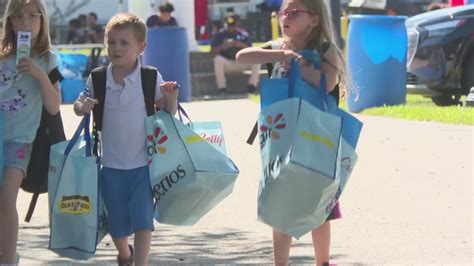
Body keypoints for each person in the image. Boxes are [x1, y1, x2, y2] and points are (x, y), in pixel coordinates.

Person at [236, 0, 348, 265]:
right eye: (282, 12)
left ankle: (323, 261)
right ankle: (281, 262)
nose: (285, 17)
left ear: (315, 20)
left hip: (316, 139)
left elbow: (328, 81)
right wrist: (280, 56)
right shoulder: (276, 48)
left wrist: (300, 65)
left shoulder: (325, 50)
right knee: (280, 203)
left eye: (294, 12)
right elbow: (242, 57)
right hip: (281, 142)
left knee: (320, 204)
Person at [73, 13, 178, 266]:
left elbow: (167, 111)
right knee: (116, 225)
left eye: (124, 43)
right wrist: (82, 106)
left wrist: (170, 96)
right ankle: (124, 254)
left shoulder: (149, 77)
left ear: (141, 47)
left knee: (143, 221)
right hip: (110, 166)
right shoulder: (98, 77)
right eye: (111, 42)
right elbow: (79, 104)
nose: (116, 48)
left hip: (144, 164)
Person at [0, 0, 62, 264]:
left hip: (21, 139)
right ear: (10, 22)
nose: (25, 22)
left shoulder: (48, 59)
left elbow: (54, 105)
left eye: (32, 16)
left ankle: (8, 257)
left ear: (42, 21)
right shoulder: (2, 55)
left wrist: (40, 75)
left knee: (6, 198)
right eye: (18, 16)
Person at [210, 15, 260, 94]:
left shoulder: (244, 35)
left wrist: (240, 44)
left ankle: (252, 86)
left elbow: (251, 50)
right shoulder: (219, 35)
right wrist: (222, 46)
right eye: (229, 26)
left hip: (241, 62)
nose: (231, 28)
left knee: (256, 60)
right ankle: (222, 88)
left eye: (233, 26)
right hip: (227, 63)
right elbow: (212, 52)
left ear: (237, 24)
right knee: (218, 59)